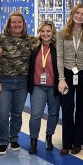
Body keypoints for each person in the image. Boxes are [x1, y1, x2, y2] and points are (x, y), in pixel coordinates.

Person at [0, 12, 35, 155]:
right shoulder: (1, 39)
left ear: (24, 24)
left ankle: (14, 138)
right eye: (14, 22)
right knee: (3, 113)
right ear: (9, 24)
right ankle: (3, 141)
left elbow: (46, 40)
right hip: (4, 81)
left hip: (22, 81)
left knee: (17, 113)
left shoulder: (30, 40)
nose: (17, 25)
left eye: (19, 22)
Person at [56, 4, 83, 155]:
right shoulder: (62, 33)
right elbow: (59, 56)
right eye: (77, 13)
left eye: (82, 14)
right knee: (67, 108)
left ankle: (79, 141)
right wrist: (61, 78)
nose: (79, 16)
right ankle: (67, 142)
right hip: (67, 73)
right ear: (72, 14)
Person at [27, 21, 60, 154]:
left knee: (53, 113)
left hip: (53, 87)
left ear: (53, 33)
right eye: (43, 31)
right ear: (39, 33)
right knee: (35, 115)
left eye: (48, 31)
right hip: (38, 87)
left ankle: (49, 137)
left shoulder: (58, 48)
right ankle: (33, 141)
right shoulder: (34, 47)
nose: (45, 34)